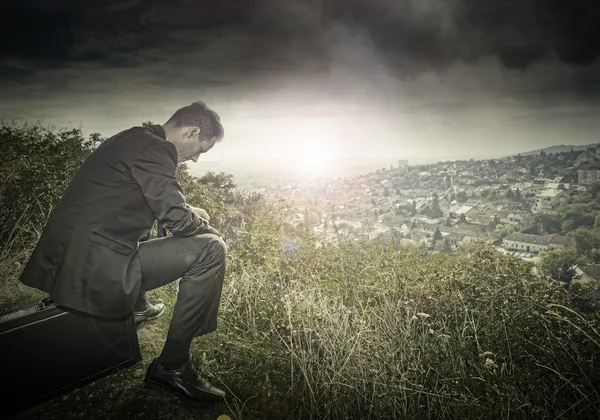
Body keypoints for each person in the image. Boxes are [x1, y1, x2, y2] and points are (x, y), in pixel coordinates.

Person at [18, 101, 228, 404]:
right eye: (199, 149)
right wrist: (207, 228)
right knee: (212, 249)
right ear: (192, 131)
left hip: (70, 258)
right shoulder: (159, 150)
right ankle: (173, 367)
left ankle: (138, 308)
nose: (195, 159)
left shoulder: (133, 137)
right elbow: (178, 221)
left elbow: (126, 197)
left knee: (144, 226)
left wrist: (185, 208)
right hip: (93, 267)